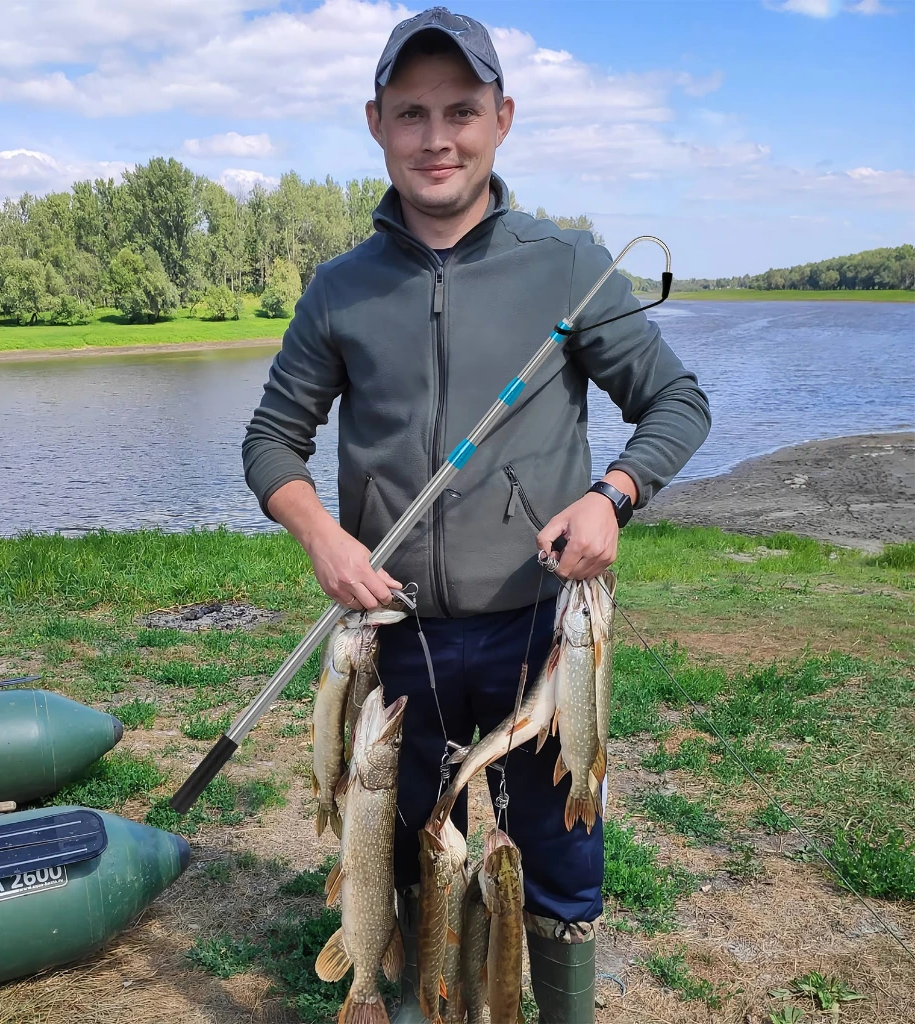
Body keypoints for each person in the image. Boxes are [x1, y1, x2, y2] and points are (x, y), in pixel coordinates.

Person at [242, 7, 711, 1021]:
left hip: (538, 629)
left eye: (461, 110)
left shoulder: (569, 265)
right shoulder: (339, 289)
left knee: (559, 852)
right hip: (395, 632)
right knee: (406, 846)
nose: (436, 137)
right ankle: (412, 996)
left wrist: (612, 495)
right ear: (376, 123)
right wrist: (322, 536)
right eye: (411, 113)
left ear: (503, 118)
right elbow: (270, 442)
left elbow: (677, 403)